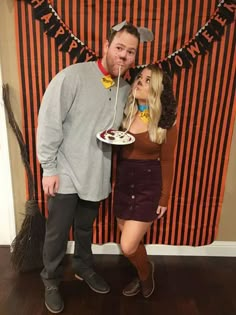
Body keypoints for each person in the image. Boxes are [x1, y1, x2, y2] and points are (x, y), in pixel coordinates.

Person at [37, 23, 140, 314]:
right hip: (66, 169)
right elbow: (49, 121)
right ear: (106, 46)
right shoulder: (73, 76)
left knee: (84, 228)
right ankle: (51, 279)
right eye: (119, 48)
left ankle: (84, 267)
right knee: (57, 232)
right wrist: (49, 167)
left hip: (97, 170)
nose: (123, 56)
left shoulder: (126, 89)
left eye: (130, 52)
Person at [113, 64, 177, 298]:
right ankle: (142, 270)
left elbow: (168, 162)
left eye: (148, 80)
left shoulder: (165, 121)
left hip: (148, 186)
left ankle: (146, 273)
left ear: (157, 89)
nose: (140, 80)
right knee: (130, 244)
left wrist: (164, 197)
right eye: (140, 77)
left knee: (128, 245)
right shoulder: (123, 113)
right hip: (123, 183)